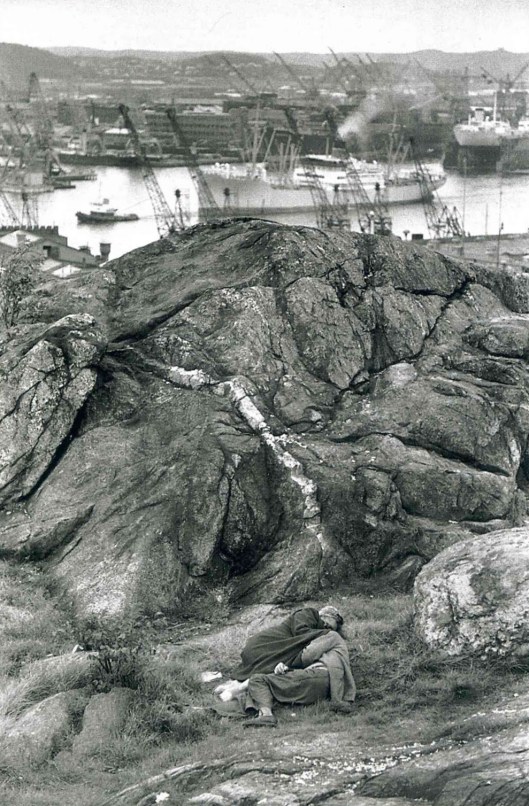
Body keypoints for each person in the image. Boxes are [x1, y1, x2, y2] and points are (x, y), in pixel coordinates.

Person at [214, 605, 356, 726]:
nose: (325, 628)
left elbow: (306, 656)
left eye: (329, 628)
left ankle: (264, 714)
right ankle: (247, 703)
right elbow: (303, 639)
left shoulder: (330, 635)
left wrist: (288, 666)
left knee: (260, 679)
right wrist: (288, 667)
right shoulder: (309, 616)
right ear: (325, 615)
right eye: (326, 624)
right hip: (316, 681)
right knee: (267, 680)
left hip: (318, 678)